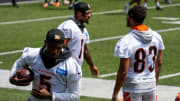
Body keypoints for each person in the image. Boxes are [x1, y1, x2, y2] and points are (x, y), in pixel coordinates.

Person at [9, 29, 82, 101]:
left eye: (58, 48)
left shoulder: (72, 66)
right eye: (52, 47)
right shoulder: (32, 54)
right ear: (45, 43)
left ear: (63, 45)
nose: (55, 51)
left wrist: (51, 95)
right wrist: (13, 77)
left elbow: (75, 96)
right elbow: (19, 63)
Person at [112, 6, 165, 101]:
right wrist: (154, 82)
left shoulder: (126, 41)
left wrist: (115, 93)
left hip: (133, 87)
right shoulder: (157, 36)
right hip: (151, 85)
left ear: (130, 18)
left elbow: (123, 71)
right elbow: (159, 63)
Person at [57, 2, 99, 77]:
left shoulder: (83, 29)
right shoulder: (69, 26)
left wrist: (92, 65)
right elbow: (59, 48)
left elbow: (85, 50)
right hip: (65, 69)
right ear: (79, 13)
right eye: (87, 13)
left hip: (75, 69)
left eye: (90, 13)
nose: (89, 16)